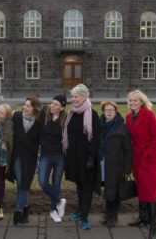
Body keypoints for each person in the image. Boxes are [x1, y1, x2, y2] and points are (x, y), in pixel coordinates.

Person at [62, 84, 101, 230]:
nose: (73, 99)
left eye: (76, 97)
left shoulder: (92, 114)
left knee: (87, 188)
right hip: (74, 158)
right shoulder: (72, 113)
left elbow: (96, 138)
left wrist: (91, 158)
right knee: (79, 185)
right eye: (72, 96)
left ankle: (84, 216)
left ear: (84, 97)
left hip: (87, 159)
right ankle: (80, 210)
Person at [126, 90, 156, 239]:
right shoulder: (128, 117)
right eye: (130, 101)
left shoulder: (149, 115)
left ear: (141, 101)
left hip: (148, 160)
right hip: (136, 159)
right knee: (140, 188)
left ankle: (153, 228)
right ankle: (143, 217)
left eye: (135, 100)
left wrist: (147, 155)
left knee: (151, 193)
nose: (132, 103)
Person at [7, 97, 43, 225]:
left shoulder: (39, 122)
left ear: (35, 108)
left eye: (28, 106)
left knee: (24, 183)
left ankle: (23, 209)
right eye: (25, 105)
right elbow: (2, 115)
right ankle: (20, 210)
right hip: (17, 156)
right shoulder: (16, 116)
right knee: (22, 182)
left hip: (30, 158)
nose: (25, 108)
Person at [98, 101, 132, 227]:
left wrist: (127, 168)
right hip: (104, 164)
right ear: (103, 111)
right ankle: (108, 215)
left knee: (115, 192)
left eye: (112, 109)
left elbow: (128, 150)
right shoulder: (100, 125)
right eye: (107, 109)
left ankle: (114, 217)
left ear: (116, 111)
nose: (109, 112)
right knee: (108, 190)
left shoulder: (122, 127)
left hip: (117, 165)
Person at [38, 94, 67, 223]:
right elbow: (29, 110)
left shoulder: (66, 119)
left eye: (56, 104)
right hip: (45, 155)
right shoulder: (44, 114)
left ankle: (53, 211)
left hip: (60, 156)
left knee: (56, 184)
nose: (52, 106)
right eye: (52, 102)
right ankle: (59, 201)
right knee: (42, 181)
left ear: (62, 108)